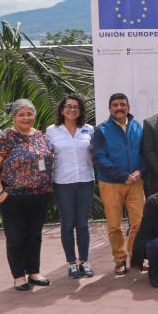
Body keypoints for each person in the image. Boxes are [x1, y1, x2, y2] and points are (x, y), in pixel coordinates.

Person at [0, 99, 54, 291]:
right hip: (13, 196)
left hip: (39, 194)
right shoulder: (5, 138)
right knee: (16, 237)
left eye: (29, 114)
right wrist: (0, 193)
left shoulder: (40, 135)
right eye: (21, 115)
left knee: (34, 235)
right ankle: (19, 276)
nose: (26, 118)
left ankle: (34, 271)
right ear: (13, 117)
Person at [92, 92, 145, 276]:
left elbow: (144, 153)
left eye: (123, 104)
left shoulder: (137, 127)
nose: (119, 108)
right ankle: (120, 259)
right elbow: (100, 158)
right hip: (111, 183)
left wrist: (140, 171)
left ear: (128, 107)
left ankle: (135, 257)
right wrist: (123, 176)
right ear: (109, 108)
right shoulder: (101, 130)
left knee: (138, 222)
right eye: (115, 105)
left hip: (136, 183)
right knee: (115, 225)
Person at [46, 93, 95, 278]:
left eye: (76, 106)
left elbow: (95, 153)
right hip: (62, 182)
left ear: (81, 110)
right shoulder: (52, 130)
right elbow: (45, 154)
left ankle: (84, 261)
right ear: (61, 109)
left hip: (85, 181)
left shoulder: (89, 129)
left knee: (82, 223)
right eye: (68, 106)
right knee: (67, 223)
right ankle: (71, 263)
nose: (72, 109)